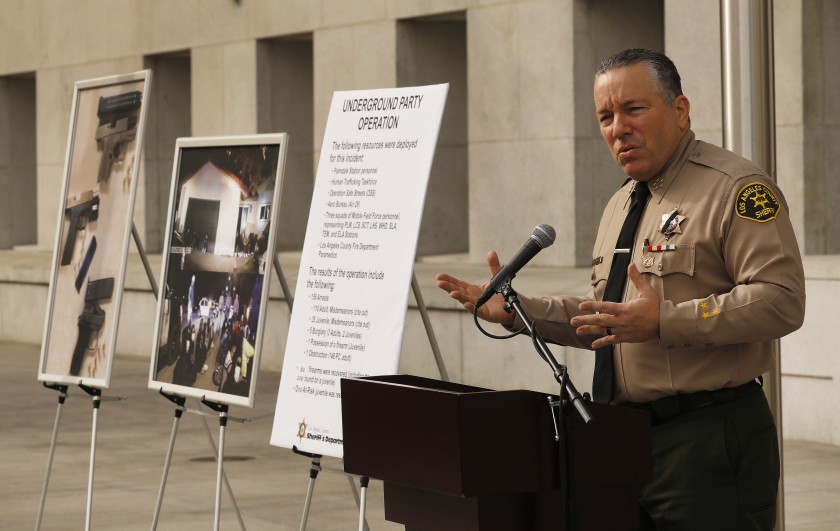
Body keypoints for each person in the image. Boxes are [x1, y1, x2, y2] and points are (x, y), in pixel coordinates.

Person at [436, 48, 805, 530]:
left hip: (708, 440)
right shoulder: (620, 205)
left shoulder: (736, 188)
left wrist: (666, 320)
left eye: (634, 109)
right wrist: (518, 311)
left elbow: (782, 299)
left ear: (679, 110)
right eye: (606, 116)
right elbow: (610, 318)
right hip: (621, 441)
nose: (618, 128)